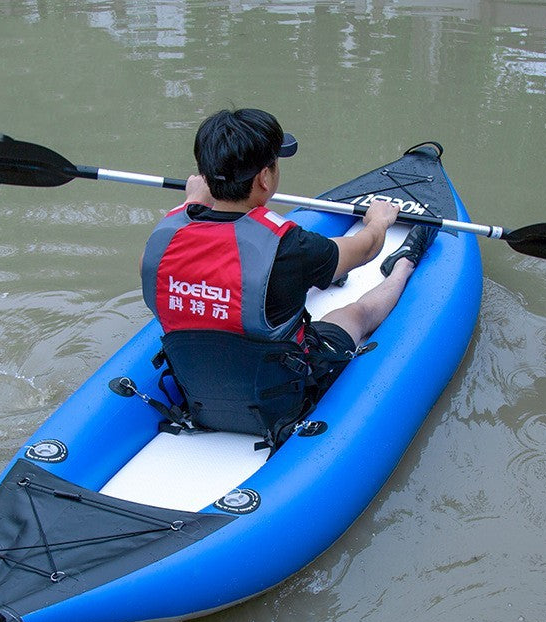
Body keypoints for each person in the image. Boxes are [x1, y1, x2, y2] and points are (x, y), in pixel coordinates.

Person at [140, 108, 437, 440]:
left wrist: (193, 201)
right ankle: (404, 265)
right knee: (356, 313)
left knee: (264, 294)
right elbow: (366, 248)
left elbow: (197, 235)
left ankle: (325, 275)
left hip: (201, 396)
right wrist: (379, 220)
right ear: (265, 178)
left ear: (206, 177)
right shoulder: (292, 248)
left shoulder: (161, 241)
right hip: (281, 402)